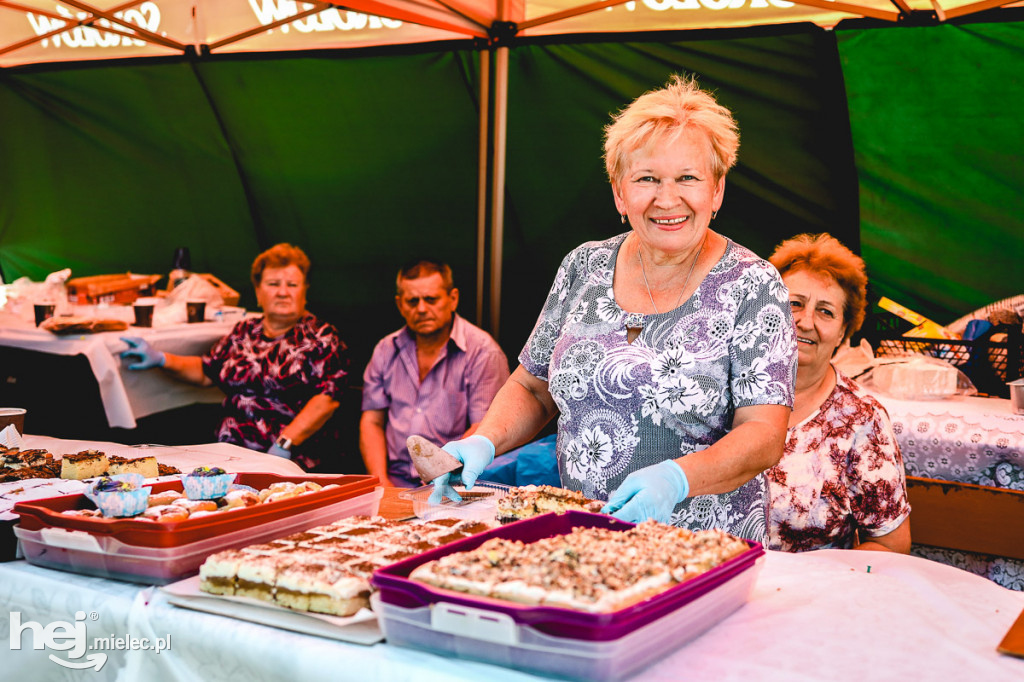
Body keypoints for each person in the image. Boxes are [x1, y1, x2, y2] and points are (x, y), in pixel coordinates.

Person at [432, 74, 798, 543]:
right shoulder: (584, 265)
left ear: (717, 190)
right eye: (646, 179)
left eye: (688, 177)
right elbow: (533, 386)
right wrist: (483, 440)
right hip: (585, 541)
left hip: (706, 551)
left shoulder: (753, 283)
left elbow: (764, 433)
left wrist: (677, 479)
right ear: (620, 194)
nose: (668, 199)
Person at [120, 243, 349, 471]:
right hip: (229, 455)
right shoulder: (244, 331)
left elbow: (327, 399)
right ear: (258, 292)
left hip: (291, 460)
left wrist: (284, 444)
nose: (282, 291)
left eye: (292, 284)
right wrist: (161, 358)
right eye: (273, 284)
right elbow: (206, 370)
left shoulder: (321, 336)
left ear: (304, 291)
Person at [766, 233, 911, 552]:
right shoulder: (720, 388)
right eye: (795, 304)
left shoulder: (862, 419)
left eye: (826, 312)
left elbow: (891, 545)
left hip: (806, 596)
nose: (804, 321)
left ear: (844, 332)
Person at [360, 259, 509, 488]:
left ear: (453, 299)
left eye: (431, 299)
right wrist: (382, 483)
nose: (421, 309)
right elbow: (372, 421)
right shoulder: (385, 349)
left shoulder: (483, 352)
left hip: (456, 484)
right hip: (393, 481)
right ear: (400, 305)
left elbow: (484, 427)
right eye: (412, 301)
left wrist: (440, 476)